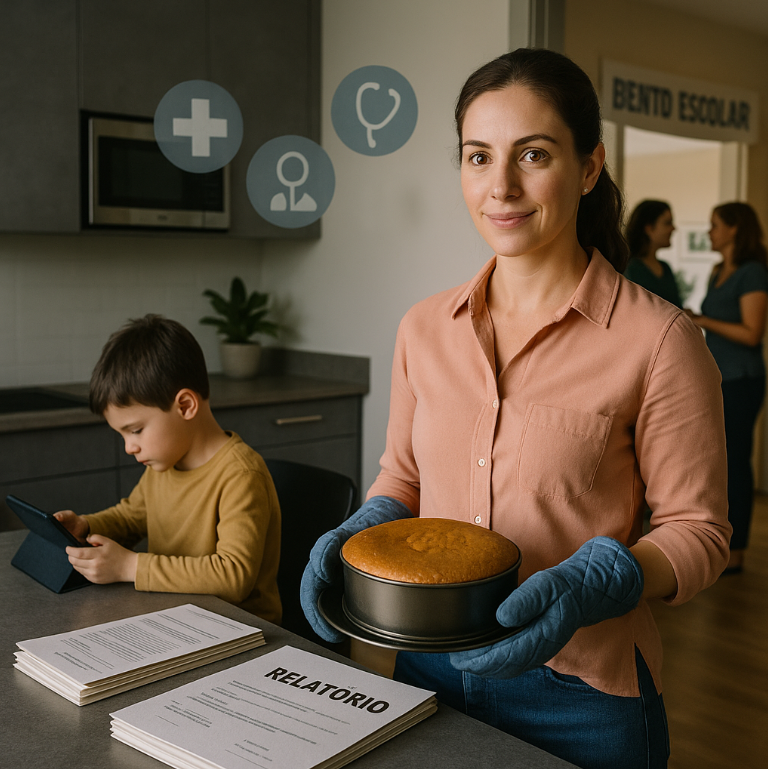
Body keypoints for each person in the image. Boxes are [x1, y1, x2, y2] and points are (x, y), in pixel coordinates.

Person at [301, 48, 731, 769]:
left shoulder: (660, 340)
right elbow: (403, 480)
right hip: (427, 666)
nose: (500, 186)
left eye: (533, 155)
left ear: (589, 167)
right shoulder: (423, 328)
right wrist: (360, 532)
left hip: (582, 697)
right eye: (478, 157)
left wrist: (604, 580)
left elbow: (700, 531)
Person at [54, 314, 282, 623]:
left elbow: (233, 576)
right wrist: (86, 526)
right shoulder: (163, 464)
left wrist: (129, 567)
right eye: (122, 435)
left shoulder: (241, 475)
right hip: (175, 618)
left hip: (239, 629)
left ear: (185, 406)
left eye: (136, 430)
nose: (129, 447)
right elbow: (131, 518)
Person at [687, 202, 768, 575]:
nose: (710, 232)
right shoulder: (719, 270)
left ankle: (736, 551)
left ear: (734, 229)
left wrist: (702, 319)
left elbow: (752, 333)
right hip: (720, 377)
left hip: (742, 379)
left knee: (735, 462)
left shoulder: (753, 272)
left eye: (715, 225)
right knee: (719, 461)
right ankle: (720, 545)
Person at [624, 200, 683, 307]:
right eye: (667, 223)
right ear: (649, 228)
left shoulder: (666, 268)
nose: (673, 228)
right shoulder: (630, 269)